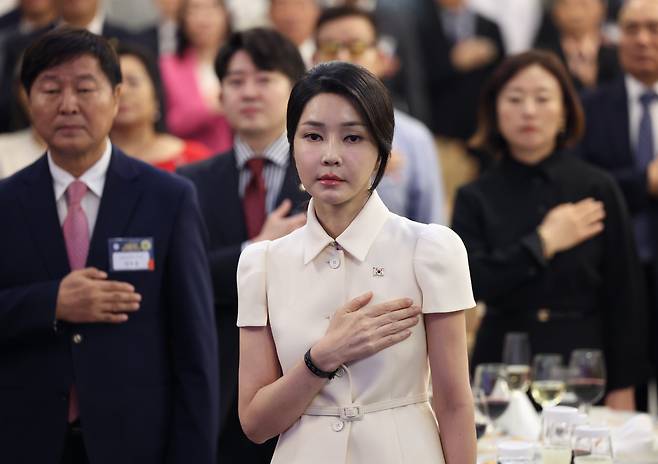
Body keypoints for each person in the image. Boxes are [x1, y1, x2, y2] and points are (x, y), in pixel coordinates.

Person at [236, 61, 477, 463]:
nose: (330, 155)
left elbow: (454, 403)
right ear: (292, 146)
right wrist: (322, 358)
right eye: (313, 136)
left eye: (352, 137)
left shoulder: (430, 249)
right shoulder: (262, 263)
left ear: (382, 153)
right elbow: (255, 424)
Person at [0, 28, 219, 463]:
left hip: (137, 443)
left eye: (85, 89)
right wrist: (51, 303)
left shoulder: (168, 198)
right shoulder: (6, 203)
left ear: (116, 97)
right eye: (50, 90)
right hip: (25, 440)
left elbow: (194, 346)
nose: (68, 105)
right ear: (27, 99)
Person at [452, 50, 648, 410]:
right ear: (495, 111)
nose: (528, 111)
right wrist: (542, 243)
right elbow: (470, 283)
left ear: (564, 112)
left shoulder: (596, 187)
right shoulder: (475, 195)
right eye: (515, 99)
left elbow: (625, 295)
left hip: (583, 365)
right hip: (501, 366)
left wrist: (624, 385)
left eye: (542, 99)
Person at [177, 27, 308, 463]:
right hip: (217, 382)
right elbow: (184, 276)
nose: (248, 92)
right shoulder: (189, 183)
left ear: (295, 90)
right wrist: (257, 247)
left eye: (264, 79)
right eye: (235, 81)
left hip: (306, 377)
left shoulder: (324, 176)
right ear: (220, 95)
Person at [578, 0, 658, 411]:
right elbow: (584, 186)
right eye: (631, 29)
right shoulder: (590, 107)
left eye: (653, 28)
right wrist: (645, 182)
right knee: (628, 398)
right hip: (617, 272)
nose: (642, 39)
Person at [313, 5, 446, 224]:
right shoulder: (297, 133)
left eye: (356, 47)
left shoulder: (414, 138)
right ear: (313, 59)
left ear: (382, 59)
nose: (342, 58)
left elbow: (432, 226)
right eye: (330, 48)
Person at [111, 43, 212, 172]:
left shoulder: (196, 160)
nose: (123, 92)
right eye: (114, 84)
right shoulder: (90, 162)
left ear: (156, 95)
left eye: (133, 82)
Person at [160, 0, 232, 153]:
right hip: (188, 156)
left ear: (226, 14)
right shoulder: (168, 66)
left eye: (212, 7)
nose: (203, 18)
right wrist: (211, 109)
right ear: (182, 18)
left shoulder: (241, 61)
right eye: (195, 9)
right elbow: (168, 121)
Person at [535, 0, 621, 90]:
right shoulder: (542, 56)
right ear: (554, 11)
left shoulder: (618, 54)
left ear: (602, 9)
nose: (575, 12)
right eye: (566, 5)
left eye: (583, 4)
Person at [269, 0, 320, 68]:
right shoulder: (260, 56)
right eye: (282, 5)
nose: (291, 14)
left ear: (316, 11)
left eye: (300, 5)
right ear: (270, 12)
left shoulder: (328, 53)